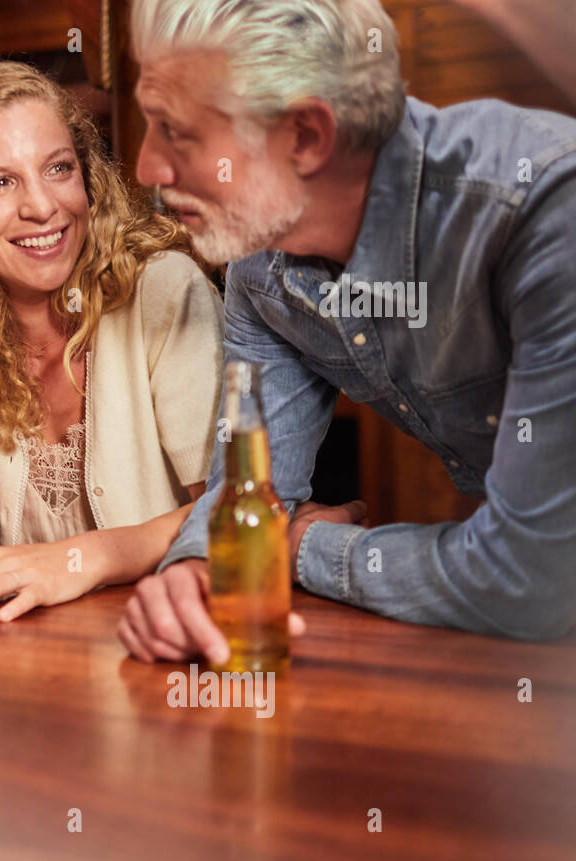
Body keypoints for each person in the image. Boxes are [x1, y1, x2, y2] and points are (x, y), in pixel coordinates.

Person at [118, 0, 576, 663]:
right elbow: (248, 493)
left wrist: (303, 547)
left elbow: (531, 577)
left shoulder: (538, 208)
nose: (147, 169)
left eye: (175, 131)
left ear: (307, 136)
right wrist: (197, 574)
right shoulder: (260, 264)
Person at [0, 62, 224, 623]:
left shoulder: (163, 292)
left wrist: (81, 560)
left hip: (163, 640)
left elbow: (232, 511)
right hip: (28, 659)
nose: (41, 206)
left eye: (58, 168)